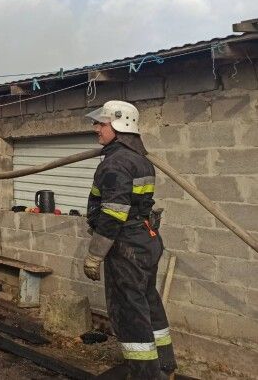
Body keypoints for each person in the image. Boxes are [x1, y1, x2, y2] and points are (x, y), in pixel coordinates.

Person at [83, 100, 176, 379]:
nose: (95, 128)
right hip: (145, 240)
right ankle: (164, 365)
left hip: (126, 246)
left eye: (101, 123)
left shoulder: (116, 163)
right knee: (148, 302)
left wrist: (94, 255)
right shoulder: (139, 159)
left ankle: (145, 374)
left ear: (120, 125)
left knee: (129, 311)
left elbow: (113, 215)